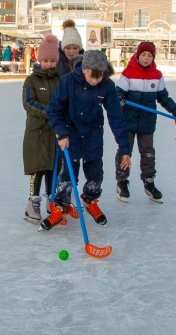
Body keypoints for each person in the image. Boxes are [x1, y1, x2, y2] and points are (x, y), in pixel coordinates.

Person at [41, 48, 132, 230]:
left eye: (100, 76)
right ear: (84, 69)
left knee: (95, 176)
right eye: (93, 76)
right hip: (70, 135)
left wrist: (125, 149)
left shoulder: (106, 85)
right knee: (67, 177)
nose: (96, 80)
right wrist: (61, 132)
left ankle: (90, 201)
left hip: (93, 136)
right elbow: (54, 110)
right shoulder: (67, 81)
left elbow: (116, 117)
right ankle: (60, 207)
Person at [115, 41, 176, 203]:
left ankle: (149, 182)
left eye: (150, 55)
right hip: (129, 121)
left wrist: (175, 111)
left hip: (147, 122)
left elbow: (163, 97)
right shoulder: (128, 73)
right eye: (143, 55)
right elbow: (118, 93)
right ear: (138, 56)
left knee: (148, 153)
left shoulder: (157, 75)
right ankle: (122, 182)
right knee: (125, 152)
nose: (146, 58)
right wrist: (120, 99)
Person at [22, 34, 61, 223]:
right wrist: (50, 112)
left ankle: (51, 202)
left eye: (52, 60)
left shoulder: (61, 81)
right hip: (37, 132)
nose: (49, 64)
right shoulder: (31, 81)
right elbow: (28, 102)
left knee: (52, 168)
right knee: (37, 168)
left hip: (55, 132)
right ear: (39, 60)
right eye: (45, 60)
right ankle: (32, 202)